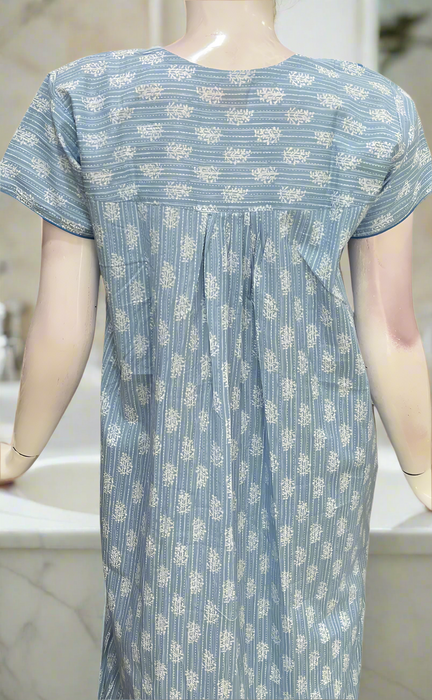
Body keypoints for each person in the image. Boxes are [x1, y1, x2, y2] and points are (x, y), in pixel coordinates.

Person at [0, 1, 431, 698]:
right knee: (305, 670)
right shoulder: (369, 110)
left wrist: (19, 451)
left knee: (166, 664)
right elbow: (391, 328)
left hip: (166, 469)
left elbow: (63, 322)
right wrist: (425, 470)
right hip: (312, 469)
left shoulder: (90, 100)